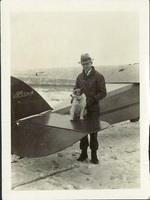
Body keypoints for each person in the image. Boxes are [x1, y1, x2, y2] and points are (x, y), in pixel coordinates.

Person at [74, 53, 107, 164]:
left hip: (93, 109)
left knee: (93, 132)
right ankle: (83, 154)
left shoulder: (98, 76)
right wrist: (75, 98)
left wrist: (91, 100)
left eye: (87, 63)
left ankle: (94, 155)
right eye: (83, 64)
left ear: (91, 63)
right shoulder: (79, 77)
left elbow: (103, 93)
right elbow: (75, 89)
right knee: (82, 132)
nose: (85, 66)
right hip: (81, 109)